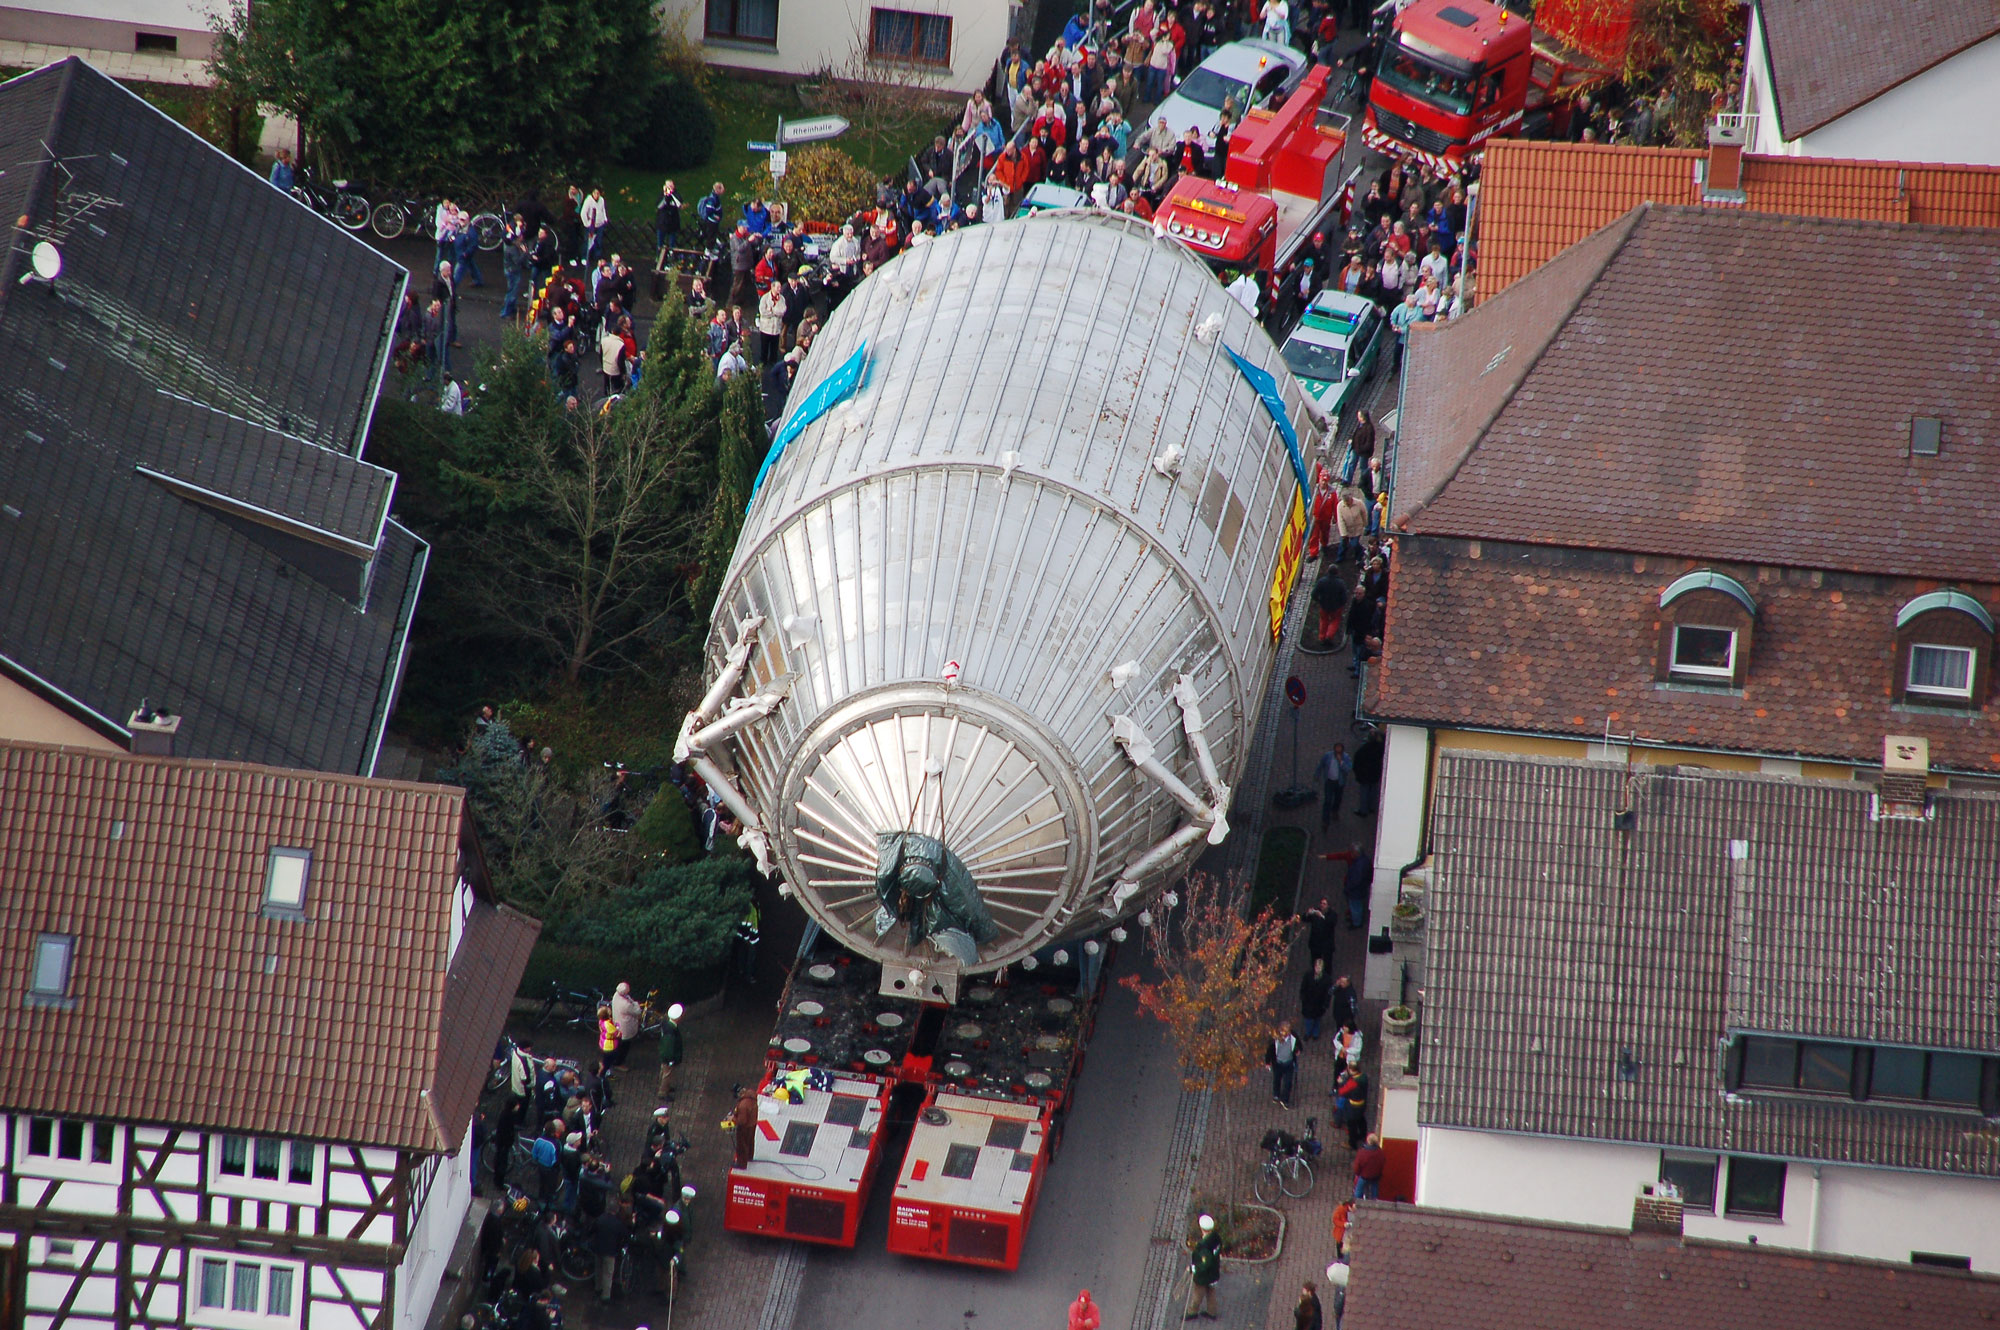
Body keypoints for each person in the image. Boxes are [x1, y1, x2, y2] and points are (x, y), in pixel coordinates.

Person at [1186, 1213, 1222, 1320]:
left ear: (1202, 1229)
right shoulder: (1216, 1238)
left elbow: (1204, 1264)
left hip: (1204, 1276)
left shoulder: (1204, 1247)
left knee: (1197, 1294)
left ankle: (1192, 1312)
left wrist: (1193, 1269)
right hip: (1214, 1273)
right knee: (1211, 1293)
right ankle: (1212, 1312)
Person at [1315, 744, 1351, 828]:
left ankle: (1335, 811)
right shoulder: (1328, 755)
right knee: (1327, 800)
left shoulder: (1346, 757)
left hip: (1339, 783)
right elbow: (1321, 765)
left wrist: (1341, 762)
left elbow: (1348, 769)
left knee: (1337, 799)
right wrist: (1317, 774)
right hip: (1329, 782)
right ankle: (1325, 820)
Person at [1265, 1022, 1299, 1108]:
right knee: (1277, 1079)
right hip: (1278, 1064)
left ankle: (1285, 1099)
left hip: (1289, 1063)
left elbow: (1298, 1045)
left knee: (1288, 1083)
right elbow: (1269, 1051)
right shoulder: (1274, 1039)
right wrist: (1268, 1062)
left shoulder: (1293, 1038)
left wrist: (1297, 1050)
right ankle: (1276, 1094)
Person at [656, 1001, 686, 1100]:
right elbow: (668, 1047)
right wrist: (670, 1060)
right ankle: (663, 1092)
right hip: (668, 1058)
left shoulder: (667, 1025)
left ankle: (665, 1087)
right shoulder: (671, 1031)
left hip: (665, 1057)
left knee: (664, 1072)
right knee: (667, 1075)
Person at [1351, 733, 1385, 817]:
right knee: (1373, 790)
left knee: (1364, 792)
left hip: (1364, 774)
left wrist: (1357, 773)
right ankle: (1371, 807)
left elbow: (1357, 762)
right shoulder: (1380, 748)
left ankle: (1363, 810)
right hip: (1375, 773)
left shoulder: (1363, 749)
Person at [1299, 959, 1333, 1040]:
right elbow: (1303, 987)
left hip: (1319, 1003)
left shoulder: (1327, 979)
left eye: (1320, 967)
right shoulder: (1308, 975)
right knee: (1308, 1019)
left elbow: (1328, 993)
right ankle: (1308, 1032)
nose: (1318, 969)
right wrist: (1303, 997)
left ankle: (1315, 1034)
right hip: (1308, 1002)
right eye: (1316, 967)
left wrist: (1326, 1004)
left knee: (1317, 1019)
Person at [732, 1085, 760, 1168]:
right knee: (750, 1141)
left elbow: (741, 1121)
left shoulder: (743, 1105)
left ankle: (741, 1164)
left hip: (745, 1128)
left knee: (742, 1145)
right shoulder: (752, 1095)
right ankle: (749, 1157)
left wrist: (733, 1119)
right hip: (753, 1123)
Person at [1352, 1132, 1385, 1198]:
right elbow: (1382, 1164)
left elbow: (1357, 1166)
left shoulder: (1362, 1153)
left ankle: (1357, 1201)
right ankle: (1374, 1201)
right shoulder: (1380, 1153)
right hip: (1375, 1175)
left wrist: (1357, 1173)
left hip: (1364, 1175)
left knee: (1358, 1190)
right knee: (1374, 1189)